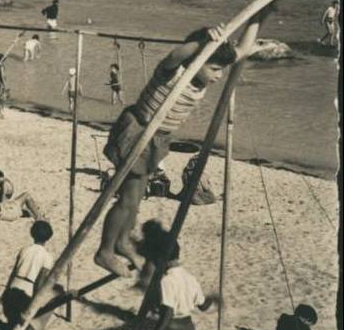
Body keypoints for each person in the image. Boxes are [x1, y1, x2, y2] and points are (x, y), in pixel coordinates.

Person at [95, 17, 266, 278]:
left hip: (157, 138)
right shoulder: (174, 73)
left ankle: (122, 242)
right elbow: (176, 54)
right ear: (198, 59)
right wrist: (203, 41)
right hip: (139, 131)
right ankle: (106, 250)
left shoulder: (202, 78)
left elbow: (241, 51)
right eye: (215, 69)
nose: (219, 76)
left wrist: (259, 17)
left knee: (137, 198)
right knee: (128, 199)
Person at [5, 220, 55, 298]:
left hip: (14, 285)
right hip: (28, 290)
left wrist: (6, 290)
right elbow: (40, 281)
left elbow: (13, 272)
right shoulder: (47, 257)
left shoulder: (24, 250)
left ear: (32, 234)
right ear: (48, 237)